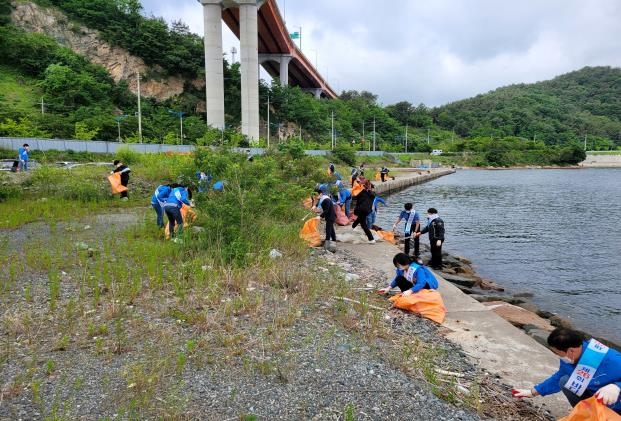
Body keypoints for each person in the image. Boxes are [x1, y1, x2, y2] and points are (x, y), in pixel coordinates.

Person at [512, 327, 621, 415]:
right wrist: (533, 392)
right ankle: (587, 415)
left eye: (557, 352)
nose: (557, 355)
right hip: (597, 398)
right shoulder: (570, 359)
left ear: (570, 351)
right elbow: (559, 377)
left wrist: (616, 387)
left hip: (617, 401)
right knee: (565, 381)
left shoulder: (613, 359)